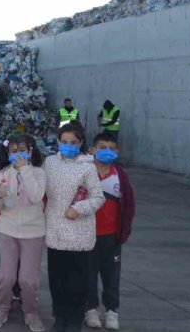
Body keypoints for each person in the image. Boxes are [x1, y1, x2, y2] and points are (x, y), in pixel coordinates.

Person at [44, 124, 105, 332]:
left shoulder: (87, 166)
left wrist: (79, 208)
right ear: (58, 142)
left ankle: (74, 321)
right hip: (55, 232)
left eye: (73, 143)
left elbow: (98, 197)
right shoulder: (50, 163)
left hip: (79, 234)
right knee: (57, 281)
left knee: (77, 283)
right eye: (64, 142)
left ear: (80, 143)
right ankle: (60, 318)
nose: (68, 146)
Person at [0, 134, 48, 331]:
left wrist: (25, 170)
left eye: (22, 150)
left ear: (30, 151)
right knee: (6, 276)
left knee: (28, 279)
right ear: (8, 153)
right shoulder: (4, 173)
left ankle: (30, 311)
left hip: (33, 233)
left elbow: (37, 195)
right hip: (8, 231)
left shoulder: (39, 173)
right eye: (14, 151)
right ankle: (2, 308)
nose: (18, 154)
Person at [84, 133, 136, 331]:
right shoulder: (85, 173)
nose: (106, 151)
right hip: (87, 235)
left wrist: (124, 232)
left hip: (111, 236)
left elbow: (129, 204)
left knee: (111, 276)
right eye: (102, 147)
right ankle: (90, 309)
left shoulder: (119, 176)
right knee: (88, 275)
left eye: (111, 148)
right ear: (92, 150)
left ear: (117, 152)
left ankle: (112, 311)